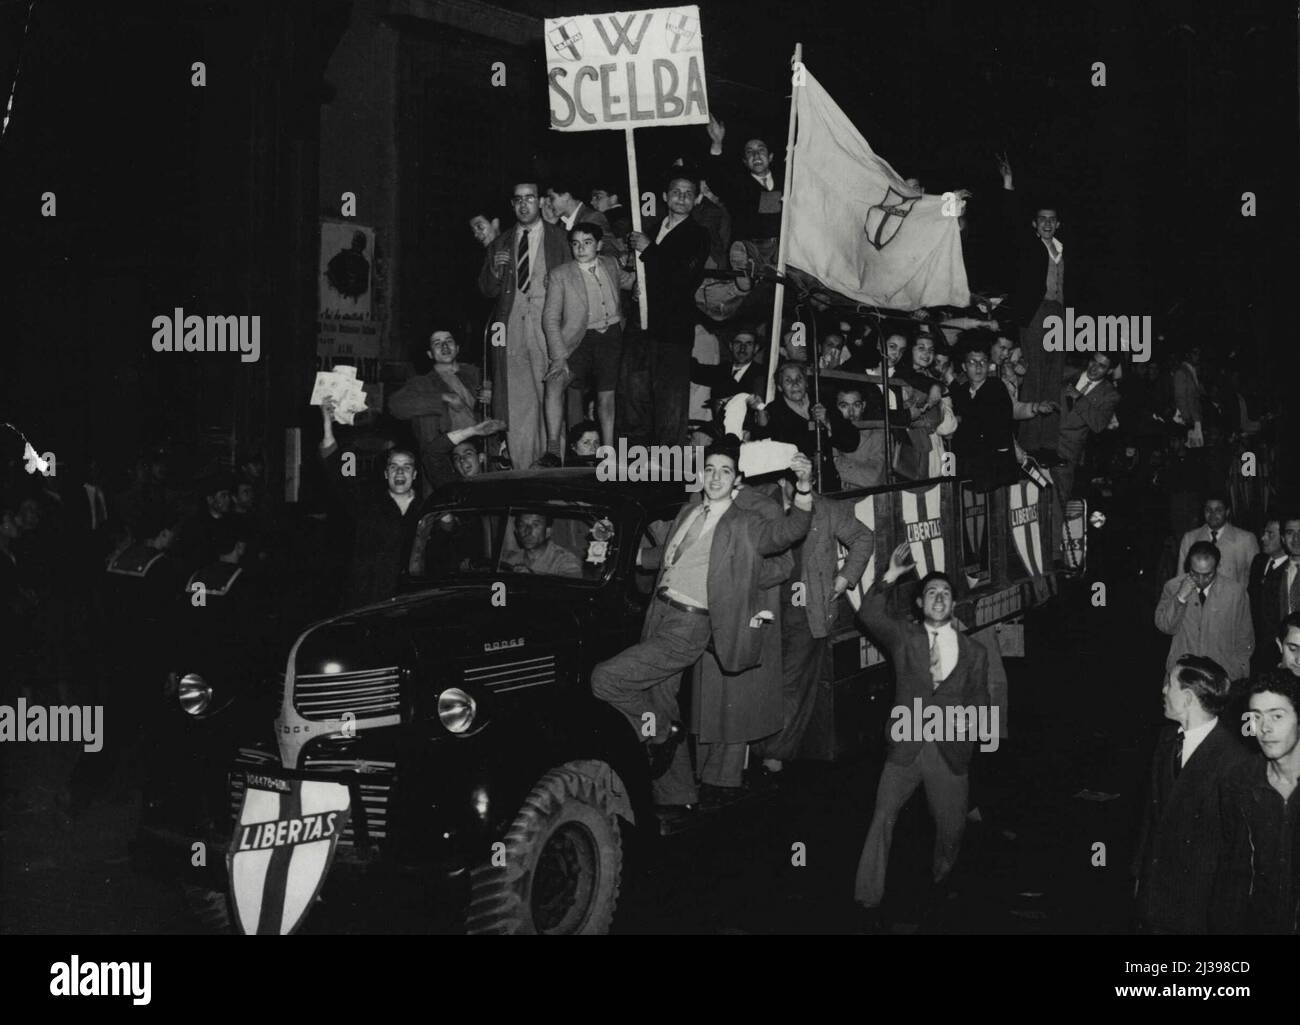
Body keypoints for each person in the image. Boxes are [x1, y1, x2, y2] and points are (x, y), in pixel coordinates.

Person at [590, 444, 815, 823]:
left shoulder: (744, 522)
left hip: (690, 623)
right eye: (710, 469)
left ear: (737, 481)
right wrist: (612, 551)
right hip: (659, 612)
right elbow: (666, 556)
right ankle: (677, 794)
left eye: (725, 472)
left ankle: (662, 733)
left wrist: (805, 488)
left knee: (606, 679)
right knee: (660, 698)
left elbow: (788, 532)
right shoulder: (690, 510)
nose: (715, 478)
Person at [853, 542, 991, 928]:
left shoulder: (975, 652)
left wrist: (973, 728)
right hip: (906, 746)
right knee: (882, 816)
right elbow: (868, 614)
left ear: (954, 604)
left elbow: (980, 699)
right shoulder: (904, 637)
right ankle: (868, 894)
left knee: (952, 832)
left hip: (950, 751)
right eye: (931, 592)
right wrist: (890, 577)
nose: (939, 598)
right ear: (919, 604)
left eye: (945, 593)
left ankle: (939, 885)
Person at [754, 476, 875, 772]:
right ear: (781, 479)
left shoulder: (827, 510)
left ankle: (774, 752)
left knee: (792, 684)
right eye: (793, 479)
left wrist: (845, 577)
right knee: (762, 678)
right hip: (765, 608)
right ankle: (758, 746)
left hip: (807, 614)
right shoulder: (760, 505)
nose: (800, 485)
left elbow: (864, 537)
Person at [1131, 655, 1253, 934]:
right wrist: (1139, 874)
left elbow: (1235, 854)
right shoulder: (1166, 741)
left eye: (1169, 684)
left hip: (1198, 907)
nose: (1162, 690)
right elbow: (1151, 818)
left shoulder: (1234, 760)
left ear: (1187, 698)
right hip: (1155, 895)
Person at [478, 181, 572, 472]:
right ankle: (521, 472)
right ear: (512, 204)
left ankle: (554, 467)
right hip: (512, 329)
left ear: (540, 201)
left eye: (529, 198)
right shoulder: (501, 242)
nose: (523, 205)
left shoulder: (561, 238)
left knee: (551, 399)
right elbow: (486, 289)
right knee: (517, 405)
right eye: (518, 200)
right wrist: (495, 269)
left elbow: (576, 284)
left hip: (548, 329)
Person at [1212, 670, 1300, 933]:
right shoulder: (1239, 782)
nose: (1265, 728)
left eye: (1277, 716)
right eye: (1256, 717)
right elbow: (1232, 874)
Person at [628, 171, 711, 447]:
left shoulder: (698, 235)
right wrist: (636, 289)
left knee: (671, 405)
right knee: (637, 400)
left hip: (673, 332)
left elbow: (683, 278)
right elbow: (643, 275)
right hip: (642, 329)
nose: (682, 198)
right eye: (676, 191)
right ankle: (638, 472)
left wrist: (650, 250)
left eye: (689, 193)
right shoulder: (648, 230)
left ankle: (668, 477)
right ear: (665, 196)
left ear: (697, 199)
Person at [997, 154, 1070, 453]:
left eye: (1052, 220)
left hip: (1059, 313)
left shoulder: (1063, 250)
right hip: (1036, 312)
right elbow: (1011, 221)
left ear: (1058, 223)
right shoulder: (1030, 245)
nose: (1048, 224)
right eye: (1042, 219)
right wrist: (1008, 185)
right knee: (1035, 373)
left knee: (1054, 376)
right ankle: (1029, 442)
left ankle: (1049, 443)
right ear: (1034, 224)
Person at [319, 398, 422, 607]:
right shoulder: (368, 504)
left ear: (415, 474)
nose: (400, 472)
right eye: (394, 467)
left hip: (412, 604)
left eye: (406, 467)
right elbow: (340, 477)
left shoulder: (426, 510)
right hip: (370, 604)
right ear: (386, 474)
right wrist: (327, 426)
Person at [542, 223, 635, 451]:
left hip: (611, 337)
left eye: (587, 243)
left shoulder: (611, 264)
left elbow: (631, 281)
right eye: (575, 244)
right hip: (579, 340)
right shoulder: (560, 275)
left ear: (599, 245)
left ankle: (609, 449)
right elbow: (550, 319)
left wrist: (639, 280)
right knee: (554, 384)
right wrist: (559, 356)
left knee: (607, 395)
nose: (581, 249)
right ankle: (553, 448)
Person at [388, 329, 502, 497]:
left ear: (457, 348)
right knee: (445, 514)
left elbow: (509, 407)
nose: (444, 346)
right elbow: (395, 406)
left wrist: (495, 397)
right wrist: (443, 398)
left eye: (448, 341)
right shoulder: (421, 383)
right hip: (442, 461)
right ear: (430, 353)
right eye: (437, 343)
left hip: (483, 456)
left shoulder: (478, 374)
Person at [1155, 540, 1253, 682]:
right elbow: (1165, 627)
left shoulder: (1236, 592)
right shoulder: (1172, 586)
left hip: (1222, 676)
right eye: (1195, 573)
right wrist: (1180, 597)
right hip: (1182, 675)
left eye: (1208, 574)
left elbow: (1245, 638)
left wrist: (1238, 671)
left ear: (1217, 566)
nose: (1201, 580)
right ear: (1188, 566)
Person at [754, 361, 858, 491]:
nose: (795, 384)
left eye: (799, 379)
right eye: (788, 380)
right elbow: (763, 453)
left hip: (827, 484)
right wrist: (761, 425)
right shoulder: (773, 411)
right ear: (780, 387)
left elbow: (851, 442)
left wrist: (827, 422)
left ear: (807, 383)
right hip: (793, 487)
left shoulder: (823, 403)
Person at [949, 336, 1020, 493]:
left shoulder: (996, 387)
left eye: (983, 362)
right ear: (964, 366)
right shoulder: (960, 392)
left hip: (996, 468)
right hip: (969, 467)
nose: (978, 367)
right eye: (972, 362)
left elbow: (990, 423)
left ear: (989, 365)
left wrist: (961, 420)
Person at [1052, 353, 1121, 501]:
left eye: (1101, 366)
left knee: (1059, 500)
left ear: (1109, 371)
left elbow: (1098, 424)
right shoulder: (1064, 371)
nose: (1094, 368)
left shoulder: (1110, 395)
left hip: (1067, 453)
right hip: (1042, 441)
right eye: (1093, 362)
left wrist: (1080, 398)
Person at [1176, 493, 1260, 586]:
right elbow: (1181, 577)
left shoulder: (1246, 539)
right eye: (1208, 510)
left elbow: (1255, 580)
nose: (1212, 514)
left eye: (1218, 510)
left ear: (1227, 512)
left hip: (1234, 598)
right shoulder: (1190, 538)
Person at [1250, 516, 1288, 674]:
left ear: (1284, 538)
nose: (1263, 538)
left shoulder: (1291, 569)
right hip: (1254, 643)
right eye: (1264, 533)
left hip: (1278, 647)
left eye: (1270, 534)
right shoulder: (1259, 561)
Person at [690, 326, 766, 405]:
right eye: (738, 343)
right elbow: (695, 372)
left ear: (756, 348)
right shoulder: (722, 370)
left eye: (748, 344)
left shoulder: (761, 374)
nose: (742, 349)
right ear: (731, 346)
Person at [501, 512, 582, 578]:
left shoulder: (565, 560)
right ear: (517, 532)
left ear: (548, 531)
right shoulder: (508, 559)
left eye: (535, 525)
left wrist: (534, 578)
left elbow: (571, 590)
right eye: (522, 525)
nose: (527, 532)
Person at [546, 182, 612, 249]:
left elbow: (610, 250)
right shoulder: (560, 224)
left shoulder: (593, 218)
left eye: (552, 198)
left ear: (566, 196)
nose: (548, 203)